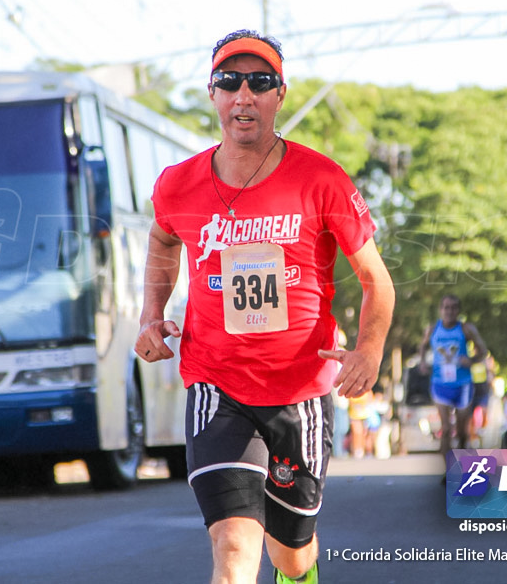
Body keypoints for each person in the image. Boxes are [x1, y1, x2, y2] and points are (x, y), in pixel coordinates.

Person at [136, 29, 395, 584]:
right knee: (233, 546)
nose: (243, 95)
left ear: (280, 95)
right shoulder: (178, 185)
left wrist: (369, 351)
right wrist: (150, 314)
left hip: (300, 391)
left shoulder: (321, 179)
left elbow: (377, 280)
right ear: (214, 95)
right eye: (230, 82)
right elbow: (162, 241)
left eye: (259, 82)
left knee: (291, 553)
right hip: (216, 384)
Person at [416, 294, 489, 457]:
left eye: (453, 307)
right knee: (446, 429)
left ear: (458, 311)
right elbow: (422, 346)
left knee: (463, 431)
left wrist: (471, 360)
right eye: (446, 307)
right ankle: (448, 470)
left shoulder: (466, 329)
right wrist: (422, 363)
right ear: (440, 310)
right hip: (440, 383)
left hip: (463, 384)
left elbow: (483, 351)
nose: (449, 311)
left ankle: (461, 465)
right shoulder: (433, 329)